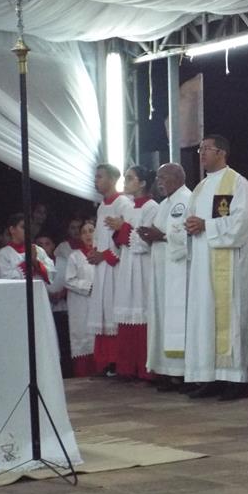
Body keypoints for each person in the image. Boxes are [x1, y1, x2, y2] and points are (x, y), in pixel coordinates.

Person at [185, 134, 248, 401]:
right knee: (205, 319)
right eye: (200, 149)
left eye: (207, 149)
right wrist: (190, 227)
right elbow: (192, 221)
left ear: (222, 152)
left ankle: (236, 378)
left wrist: (207, 226)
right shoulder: (200, 188)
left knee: (230, 318)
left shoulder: (237, 183)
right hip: (203, 266)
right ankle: (211, 375)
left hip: (229, 266)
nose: (202, 153)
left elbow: (243, 222)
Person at [143, 163, 193, 389]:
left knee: (179, 319)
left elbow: (187, 236)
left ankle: (181, 373)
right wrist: (149, 236)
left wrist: (161, 236)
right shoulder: (164, 204)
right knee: (162, 319)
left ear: (177, 177)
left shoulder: (187, 200)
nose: (159, 182)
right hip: (162, 272)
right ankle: (165, 370)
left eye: (163, 177)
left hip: (179, 271)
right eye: (158, 178)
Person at [108, 165, 159, 380]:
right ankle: (127, 367)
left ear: (143, 183)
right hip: (128, 265)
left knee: (142, 313)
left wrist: (123, 228)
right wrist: (118, 230)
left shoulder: (152, 207)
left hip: (143, 266)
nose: (125, 182)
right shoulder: (128, 208)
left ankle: (145, 369)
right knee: (127, 312)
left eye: (130, 178)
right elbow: (122, 242)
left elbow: (144, 242)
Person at [87, 163, 133, 375]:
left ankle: (118, 360)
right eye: (96, 177)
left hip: (116, 268)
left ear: (113, 179)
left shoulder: (123, 203)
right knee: (103, 312)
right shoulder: (101, 206)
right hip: (102, 268)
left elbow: (127, 237)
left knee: (114, 312)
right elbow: (100, 237)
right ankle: (105, 360)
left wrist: (105, 255)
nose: (96, 180)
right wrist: (95, 252)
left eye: (100, 177)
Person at [64, 221, 96, 376]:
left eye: (91, 230)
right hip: (81, 304)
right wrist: (89, 287)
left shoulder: (104, 253)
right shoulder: (75, 256)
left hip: (99, 304)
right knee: (83, 337)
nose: (88, 235)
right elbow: (69, 280)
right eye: (84, 232)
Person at [37, 232, 71, 378]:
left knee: (64, 341)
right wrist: (48, 295)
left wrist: (63, 292)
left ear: (53, 246)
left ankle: (66, 372)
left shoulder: (63, 261)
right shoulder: (34, 263)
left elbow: (70, 278)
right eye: (40, 244)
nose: (44, 247)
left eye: (47, 243)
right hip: (45, 307)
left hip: (63, 307)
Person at [0, 213, 55, 283]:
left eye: (30, 227)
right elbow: (3, 281)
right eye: (24, 227)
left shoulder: (38, 250)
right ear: (12, 229)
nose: (28, 230)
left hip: (38, 289)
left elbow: (51, 275)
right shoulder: (3, 254)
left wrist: (35, 262)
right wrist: (27, 264)